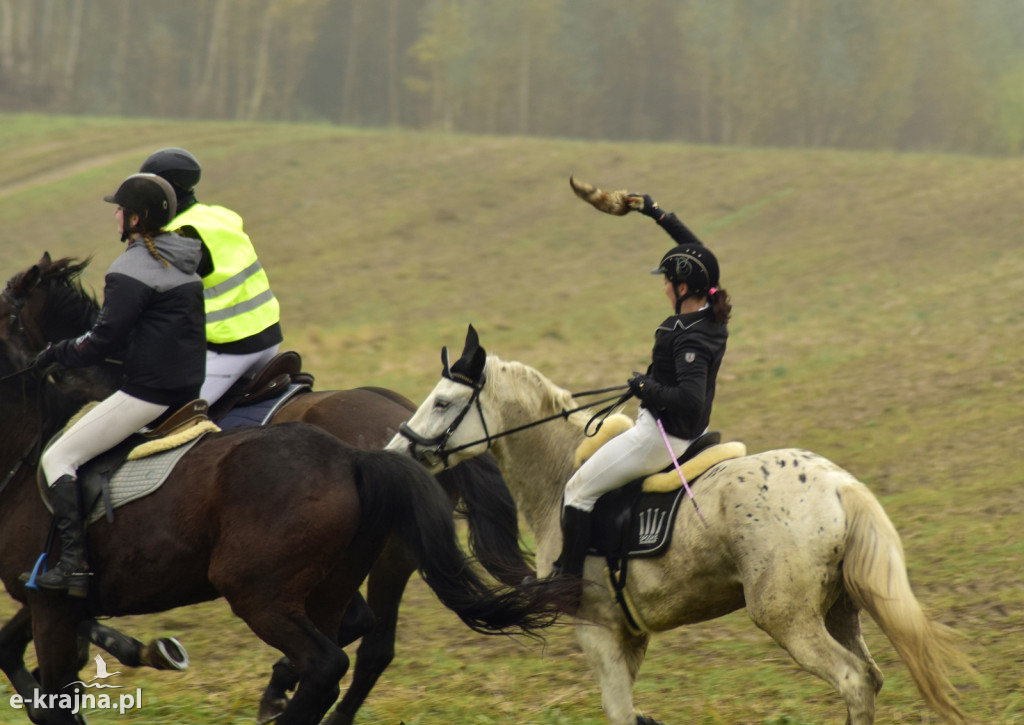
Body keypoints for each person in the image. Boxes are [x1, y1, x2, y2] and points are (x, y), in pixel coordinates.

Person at [22, 173, 206, 597]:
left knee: (58, 458)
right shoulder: (182, 257)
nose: (115, 216)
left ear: (136, 218)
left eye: (119, 210)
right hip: (187, 389)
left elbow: (103, 340)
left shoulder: (130, 269)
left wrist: (57, 352)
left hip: (148, 394)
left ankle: (74, 566)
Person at [554, 191, 732, 580]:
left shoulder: (687, 336)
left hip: (660, 437)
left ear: (684, 288)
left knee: (578, 491)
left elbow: (688, 399)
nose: (664, 287)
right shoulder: (710, 312)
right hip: (686, 429)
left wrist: (644, 388)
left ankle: (565, 585)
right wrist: (654, 212)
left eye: (668, 281)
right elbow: (697, 251)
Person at [138, 147, 283, 406]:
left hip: (230, 348)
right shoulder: (218, 215)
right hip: (269, 337)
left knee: (160, 417)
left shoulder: (178, 236)